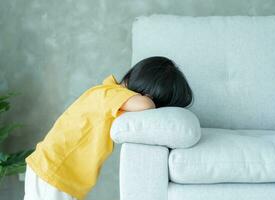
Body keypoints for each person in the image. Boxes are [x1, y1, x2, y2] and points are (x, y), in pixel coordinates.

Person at [23, 56, 193, 200]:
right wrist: (152, 103)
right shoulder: (110, 94)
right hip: (54, 169)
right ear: (147, 92)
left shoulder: (113, 99)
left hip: (61, 174)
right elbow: (145, 105)